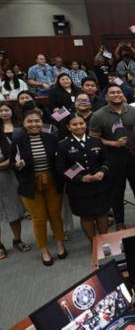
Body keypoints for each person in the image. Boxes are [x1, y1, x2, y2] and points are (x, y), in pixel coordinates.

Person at [90, 84, 135, 229]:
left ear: (123, 95)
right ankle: (120, 222)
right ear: (106, 96)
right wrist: (113, 143)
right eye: (112, 93)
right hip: (113, 158)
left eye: (119, 92)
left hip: (134, 157)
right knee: (117, 192)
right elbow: (94, 139)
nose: (116, 95)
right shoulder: (98, 115)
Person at [10, 109, 66, 266]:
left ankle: (60, 243)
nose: (34, 124)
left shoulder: (50, 138)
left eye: (37, 121)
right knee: (39, 219)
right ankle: (44, 249)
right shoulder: (18, 140)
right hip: (30, 184)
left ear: (42, 122)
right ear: (24, 124)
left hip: (52, 181)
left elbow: (58, 160)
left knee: (55, 215)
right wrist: (18, 165)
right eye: (30, 121)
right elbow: (13, 163)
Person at [55, 113, 111, 242]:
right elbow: (61, 169)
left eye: (81, 123)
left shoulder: (96, 141)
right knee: (86, 217)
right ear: (69, 127)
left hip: (99, 185)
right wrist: (80, 178)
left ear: (86, 125)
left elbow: (107, 160)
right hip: (79, 188)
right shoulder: (63, 145)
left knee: (102, 214)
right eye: (74, 124)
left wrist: (103, 171)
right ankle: (94, 242)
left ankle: (104, 241)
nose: (78, 126)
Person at [0, 102, 31, 259]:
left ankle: (17, 239)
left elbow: (12, 157)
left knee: (15, 211)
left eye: (6, 110)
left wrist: (8, 163)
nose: (4, 113)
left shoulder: (11, 134)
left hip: (8, 178)